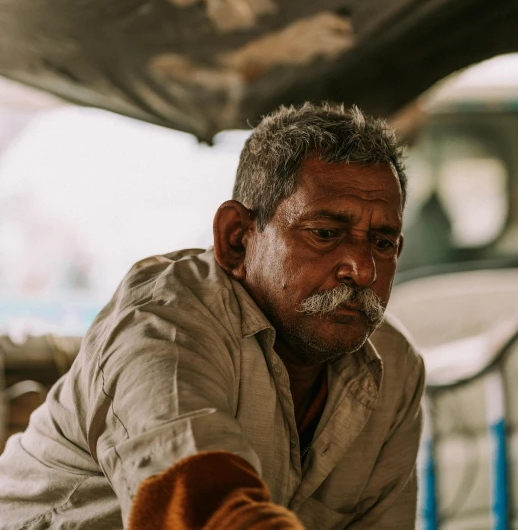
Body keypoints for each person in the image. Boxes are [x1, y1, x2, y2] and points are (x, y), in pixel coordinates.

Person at [0, 103, 425, 530]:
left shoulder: (395, 365)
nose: (364, 269)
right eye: (325, 234)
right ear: (236, 239)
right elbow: (203, 512)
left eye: (383, 243)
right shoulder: (164, 327)